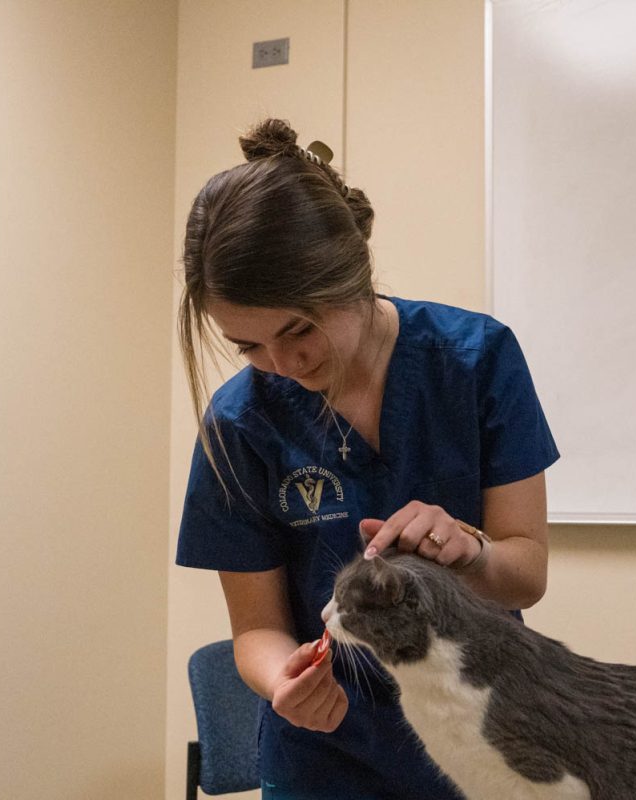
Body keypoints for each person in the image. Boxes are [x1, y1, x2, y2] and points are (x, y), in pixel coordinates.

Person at [175, 118, 559, 799]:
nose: (283, 365)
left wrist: (470, 552)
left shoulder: (475, 362)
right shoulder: (240, 421)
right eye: (249, 347)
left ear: (353, 275)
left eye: (298, 329)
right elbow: (257, 628)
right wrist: (283, 681)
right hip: (324, 754)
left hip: (483, 732)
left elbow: (524, 575)